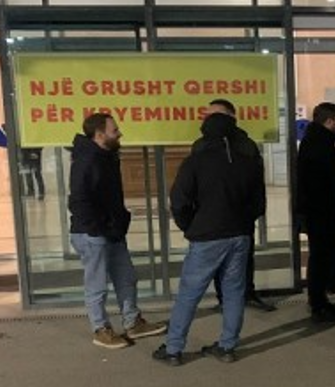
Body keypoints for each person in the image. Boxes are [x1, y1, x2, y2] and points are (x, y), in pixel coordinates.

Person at [152, 108, 266, 367]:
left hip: (207, 236)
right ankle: (227, 347)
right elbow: (259, 204)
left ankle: (173, 349)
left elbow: (179, 200)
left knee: (189, 293)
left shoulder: (195, 162)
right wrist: (243, 222)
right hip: (240, 234)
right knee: (234, 291)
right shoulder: (248, 162)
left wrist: (190, 226)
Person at [68, 113, 167, 349]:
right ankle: (100, 329)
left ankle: (133, 322)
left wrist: (117, 222)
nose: (120, 133)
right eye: (114, 130)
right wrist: (98, 228)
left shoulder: (107, 156)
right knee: (97, 284)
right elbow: (78, 200)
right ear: (99, 135)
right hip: (93, 233)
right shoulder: (87, 160)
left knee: (127, 278)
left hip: (111, 230)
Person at [206, 99, 276, 313]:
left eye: (218, 115)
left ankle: (247, 294)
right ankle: (223, 298)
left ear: (232, 117)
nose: (212, 120)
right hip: (213, 216)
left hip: (242, 214)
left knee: (245, 257)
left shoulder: (246, 145)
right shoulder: (203, 145)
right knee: (218, 259)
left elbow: (256, 182)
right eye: (209, 116)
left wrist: (256, 209)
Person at [295, 101, 335, 322]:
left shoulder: (314, 140)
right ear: (329, 121)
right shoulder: (320, 144)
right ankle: (318, 302)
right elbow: (321, 181)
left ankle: (320, 298)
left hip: (317, 210)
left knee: (321, 254)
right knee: (320, 256)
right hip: (320, 211)